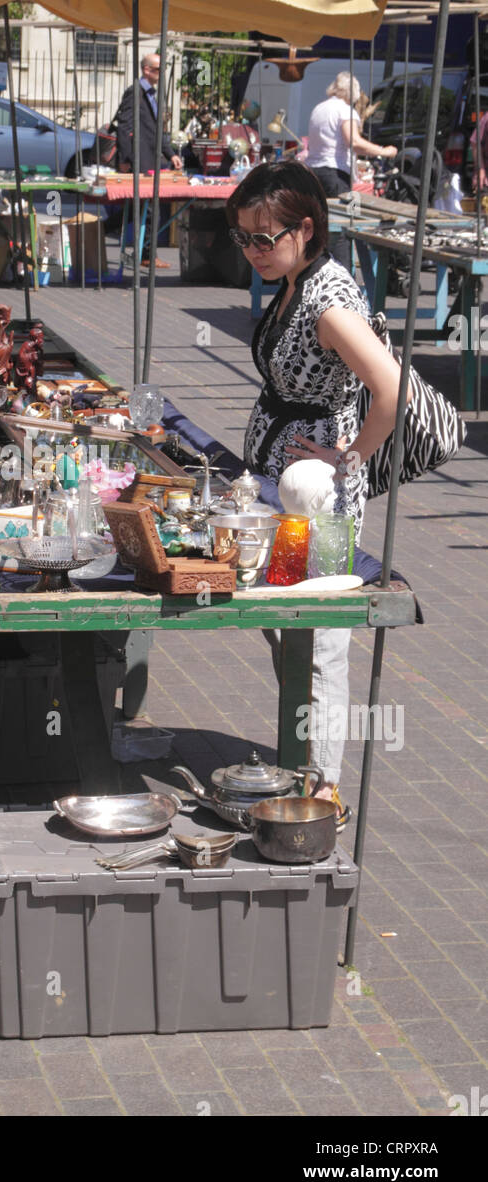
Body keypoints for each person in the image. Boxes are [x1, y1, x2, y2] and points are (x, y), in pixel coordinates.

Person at [227, 159, 409, 823]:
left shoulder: (328, 300)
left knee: (323, 638)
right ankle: (304, 756)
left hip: (317, 494)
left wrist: (351, 455)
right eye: (243, 238)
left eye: (264, 238)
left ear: (306, 229)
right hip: (284, 486)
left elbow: (392, 390)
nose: (253, 252)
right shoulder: (298, 281)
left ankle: (323, 785)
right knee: (285, 625)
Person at [305, 72, 397, 265]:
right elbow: (353, 141)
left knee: (320, 225)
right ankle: (343, 274)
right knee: (344, 225)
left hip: (313, 172)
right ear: (352, 93)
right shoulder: (345, 111)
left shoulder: (319, 108)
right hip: (335, 174)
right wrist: (384, 151)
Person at [115, 54, 183, 175]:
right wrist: (124, 159)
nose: (162, 73)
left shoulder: (150, 95)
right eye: (159, 69)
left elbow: (155, 130)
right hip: (137, 159)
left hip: (150, 159)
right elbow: (124, 126)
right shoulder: (135, 92)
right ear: (146, 70)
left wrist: (171, 155)